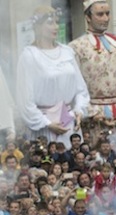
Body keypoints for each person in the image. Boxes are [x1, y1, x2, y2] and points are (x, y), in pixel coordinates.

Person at [69, 0, 116, 147]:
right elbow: (71, 88)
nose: (106, 18)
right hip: (91, 117)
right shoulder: (76, 47)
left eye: (107, 13)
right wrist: (89, 111)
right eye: (100, 14)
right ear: (88, 17)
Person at [16, 7, 89, 145]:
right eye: (50, 23)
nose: (55, 27)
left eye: (56, 22)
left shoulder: (67, 52)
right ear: (38, 26)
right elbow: (25, 100)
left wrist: (78, 110)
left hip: (69, 121)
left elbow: (81, 90)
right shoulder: (30, 56)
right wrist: (47, 123)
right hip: (45, 126)